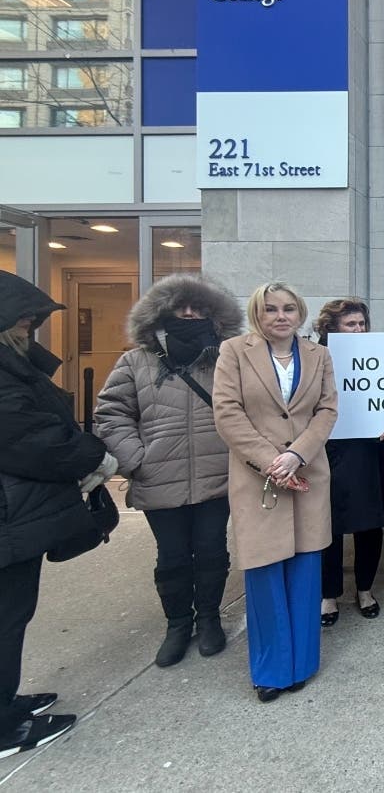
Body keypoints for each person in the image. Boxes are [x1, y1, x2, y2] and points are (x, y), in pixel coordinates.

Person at [94, 274, 242, 668]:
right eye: (181, 308)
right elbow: (111, 414)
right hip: (158, 479)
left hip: (216, 477)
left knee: (212, 551)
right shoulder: (135, 361)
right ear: (161, 313)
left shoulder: (227, 359)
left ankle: (209, 619)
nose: (189, 314)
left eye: (198, 308)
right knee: (172, 557)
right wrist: (136, 460)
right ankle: (177, 624)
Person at [1, 270, 116, 757]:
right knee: (6, 617)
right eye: (23, 318)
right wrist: (94, 455)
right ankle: (5, 729)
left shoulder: (13, 365)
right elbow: (33, 440)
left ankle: (6, 704)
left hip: (16, 514)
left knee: (12, 615)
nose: (30, 326)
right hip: (9, 515)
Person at [212, 282, 338, 702]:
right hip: (258, 479)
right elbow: (227, 412)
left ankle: (301, 665)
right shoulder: (234, 352)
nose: (280, 316)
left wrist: (298, 454)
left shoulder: (318, 355)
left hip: (307, 474)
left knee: (304, 572)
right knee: (265, 573)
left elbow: (327, 409)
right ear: (257, 313)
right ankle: (271, 670)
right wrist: (272, 460)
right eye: (271, 309)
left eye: (288, 308)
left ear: (299, 313)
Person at [313, 298, 384, 627]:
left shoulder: (377, 353)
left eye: (362, 323)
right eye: (351, 324)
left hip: (368, 452)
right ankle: (329, 594)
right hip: (328, 452)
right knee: (328, 527)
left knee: (369, 525)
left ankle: (365, 589)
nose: (359, 329)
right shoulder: (316, 358)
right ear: (332, 328)